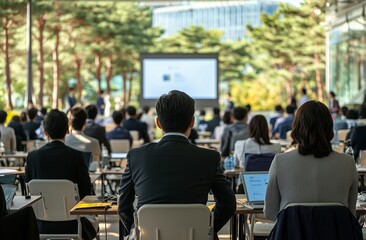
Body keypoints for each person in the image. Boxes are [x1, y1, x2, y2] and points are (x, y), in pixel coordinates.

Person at [117, 90, 236, 240]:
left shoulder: (137, 156)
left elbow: (123, 204)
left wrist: (137, 230)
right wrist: (206, 229)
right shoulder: (209, 157)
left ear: (158, 123)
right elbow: (229, 204)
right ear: (192, 122)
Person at [264, 101, 358, 221]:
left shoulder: (280, 162)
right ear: (330, 127)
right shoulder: (348, 163)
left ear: (297, 127)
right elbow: (351, 213)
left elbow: (270, 213)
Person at [25, 109, 98, 239]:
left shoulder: (32, 157)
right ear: (67, 130)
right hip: (73, 224)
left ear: (45, 132)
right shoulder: (76, 156)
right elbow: (85, 191)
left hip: (40, 224)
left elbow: (28, 193)